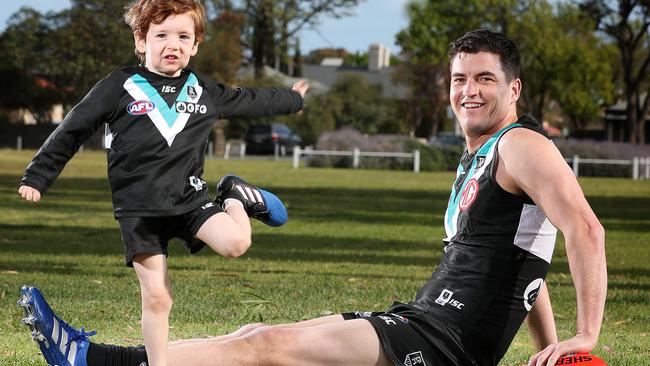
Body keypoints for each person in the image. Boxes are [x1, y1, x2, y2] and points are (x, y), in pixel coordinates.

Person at [18, 29, 606, 366]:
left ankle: (96, 362)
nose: (469, 91)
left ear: (514, 88)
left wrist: (586, 337)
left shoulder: (524, 144)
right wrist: (553, 350)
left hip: (441, 345)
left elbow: (585, 230)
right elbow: (529, 261)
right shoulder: (487, 151)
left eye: (485, 79)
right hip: (425, 320)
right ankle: (104, 357)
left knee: (267, 346)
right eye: (459, 78)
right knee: (254, 333)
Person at [17, 0, 308, 365]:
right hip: (138, 211)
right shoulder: (119, 85)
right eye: (162, 35)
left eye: (184, 36)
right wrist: (38, 176)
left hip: (189, 200)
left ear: (196, 44)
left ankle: (233, 194)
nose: (174, 44)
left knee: (237, 242)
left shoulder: (201, 90)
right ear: (141, 41)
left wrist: (292, 99)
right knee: (157, 297)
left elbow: (247, 100)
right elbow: (73, 127)